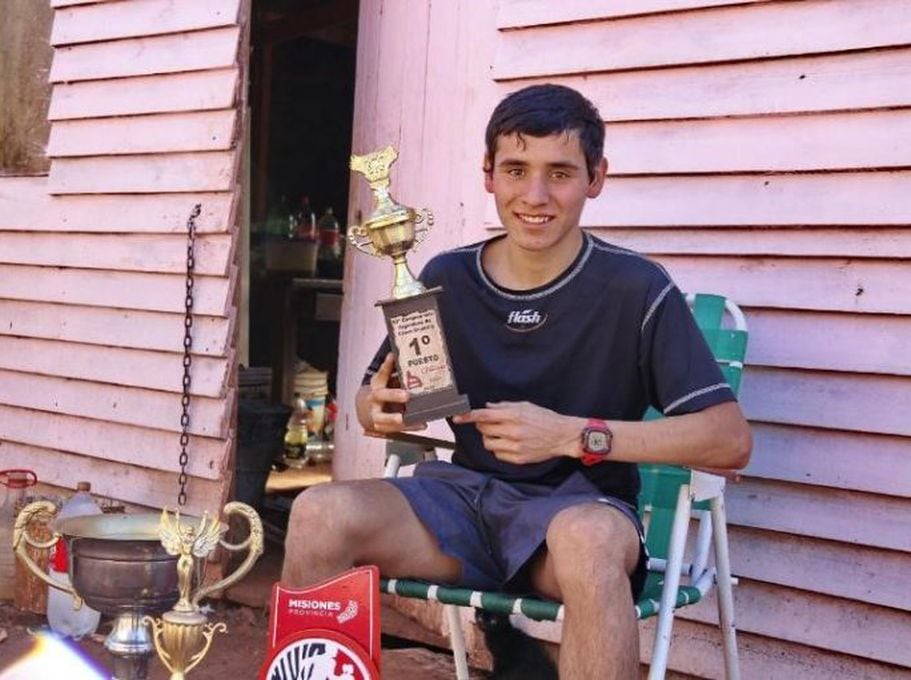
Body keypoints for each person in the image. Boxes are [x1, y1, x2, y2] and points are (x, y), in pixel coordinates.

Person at [282, 84, 752, 679]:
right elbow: (385, 392)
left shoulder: (635, 288)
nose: (535, 195)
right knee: (319, 511)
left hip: (576, 516)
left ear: (596, 177)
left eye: (559, 172)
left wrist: (573, 435)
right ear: (488, 175)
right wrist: (373, 407)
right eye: (515, 169)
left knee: (589, 540)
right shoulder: (445, 275)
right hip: (462, 507)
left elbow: (729, 439)